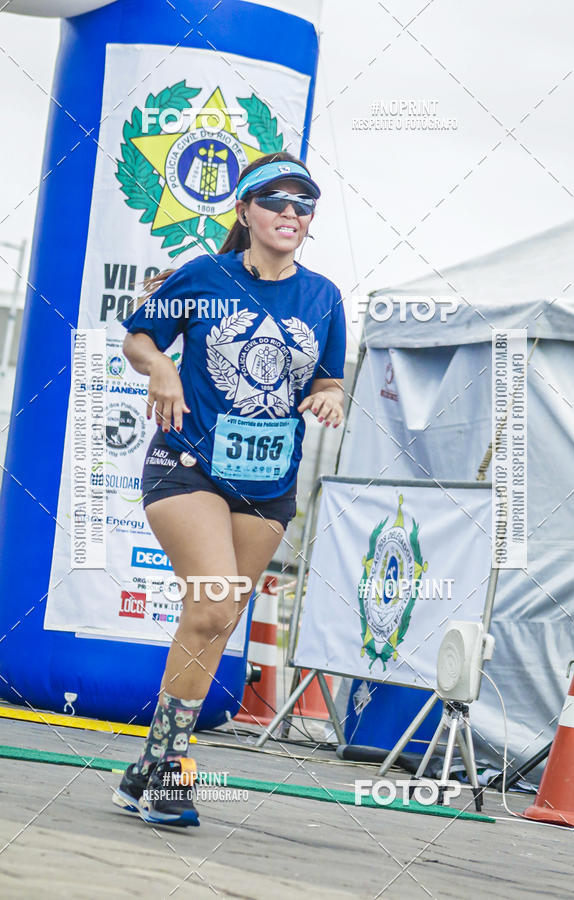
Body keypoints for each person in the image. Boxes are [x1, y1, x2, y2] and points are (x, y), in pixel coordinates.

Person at [111, 151, 346, 826]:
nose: (291, 215)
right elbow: (139, 339)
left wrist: (331, 399)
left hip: (268, 482)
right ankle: (173, 769)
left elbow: (327, 376)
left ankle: (147, 768)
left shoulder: (323, 296)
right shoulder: (205, 276)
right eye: (276, 201)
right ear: (243, 210)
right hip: (188, 464)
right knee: (212, 605)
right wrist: (160, 369)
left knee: (216, 622)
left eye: (304, 205)